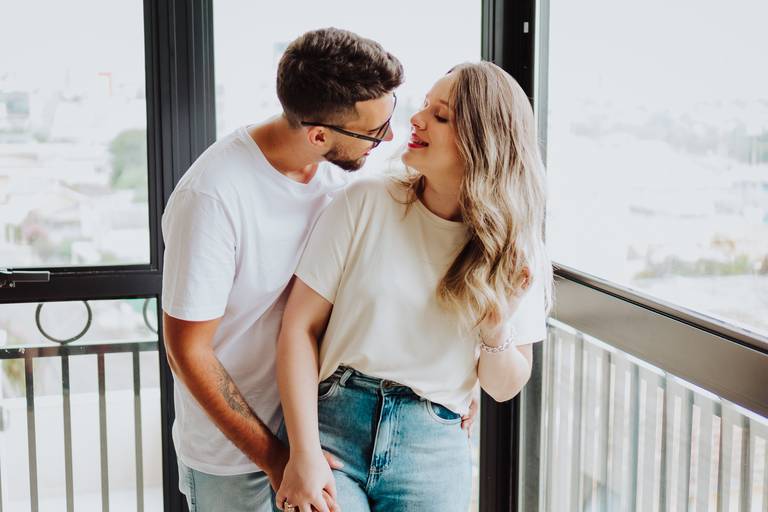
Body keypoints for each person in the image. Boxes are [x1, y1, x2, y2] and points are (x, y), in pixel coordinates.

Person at [274, 61, 554, 512]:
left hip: (432, 446)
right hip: (332, 426)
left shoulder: (515, 250)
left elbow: (503, 388)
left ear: (482, 143)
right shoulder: (364, 203)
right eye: (425, 106)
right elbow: (297, 329)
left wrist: (496, 327)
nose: (417, 120)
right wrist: (302, 454)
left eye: (441, 116)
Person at [160, 27, 403, 512]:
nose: (389, 137)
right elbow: (187, 350)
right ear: (318, 135)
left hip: (318, 434)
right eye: (376, 132)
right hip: (235, 457)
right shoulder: (212, 197)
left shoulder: (340, 174)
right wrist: (278, 461)